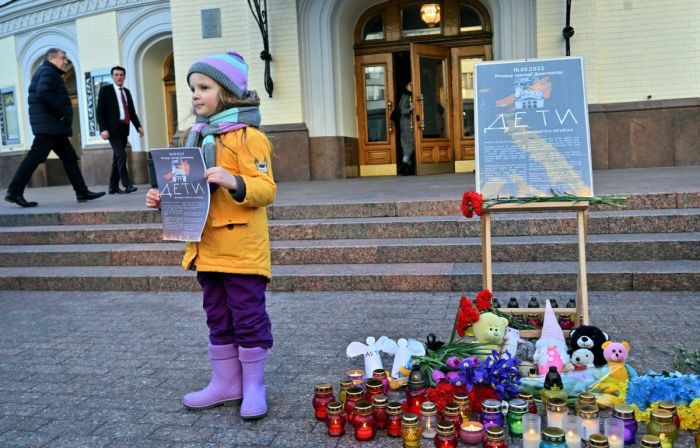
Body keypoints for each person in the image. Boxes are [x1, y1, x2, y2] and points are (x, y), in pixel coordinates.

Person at [145, 52, 276, 420]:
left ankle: (253, 386)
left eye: (204, 87)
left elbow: (266, 189)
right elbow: (184, 189)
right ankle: (226, 382)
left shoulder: (249, 137)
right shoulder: (193, 136)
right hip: (205, 247)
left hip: (241, 249)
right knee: (217, 316)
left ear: (229, 92)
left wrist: (233, 181)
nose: (195, 95)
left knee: (248, 317)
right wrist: (162, 199)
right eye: (192, 89)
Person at [5, 48, 105, 207]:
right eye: (63, 58)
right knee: (34, 158)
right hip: (49, 126)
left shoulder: (47, 72)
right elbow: (43, 92)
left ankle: (81, 191)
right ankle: (14, 191)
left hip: (52, 127)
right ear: (51, 58)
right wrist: (61, 112)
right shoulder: (48, 72)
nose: (66, 61)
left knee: (70, 158)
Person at [96, 66, 144, 194]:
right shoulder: (105, 90)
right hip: (112, 130)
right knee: (121, 155)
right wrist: (103, 129)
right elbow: (99, 111)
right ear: (112, 77)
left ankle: (113, 187)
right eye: (116, 75)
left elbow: (131, 112)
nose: (119, 77)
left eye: (121, 75)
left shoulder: (126, 92)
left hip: (124, 128)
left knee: (117, 158)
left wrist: (138, 126)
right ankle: (127, 184)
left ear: (124, 77)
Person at [398, 81, 415, 175]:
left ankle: (407, 168)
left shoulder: (407, 95)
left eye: (413, 84)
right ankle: (404, 166)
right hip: (407, 125)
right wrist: (411, 109)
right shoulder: (406, 96)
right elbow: (402, 111)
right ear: (406, 86)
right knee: (409, 145)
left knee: (408, 146)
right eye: (410, 84)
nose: (412, 86)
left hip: (407, 124)